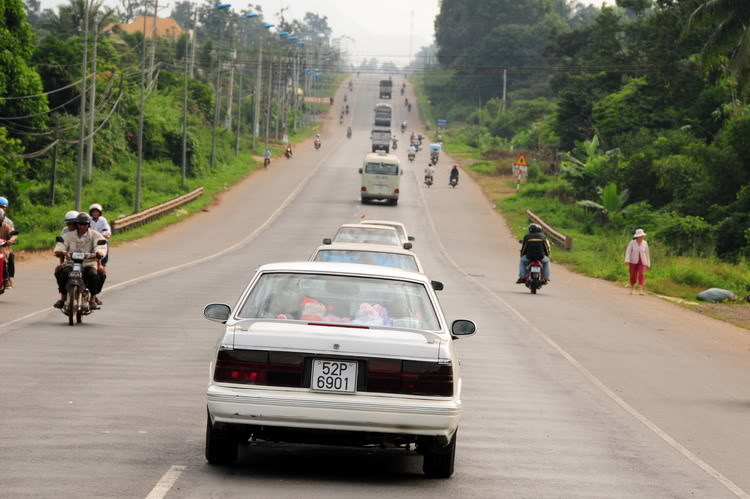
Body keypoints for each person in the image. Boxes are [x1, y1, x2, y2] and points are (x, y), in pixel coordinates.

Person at [53, 213, 107, 310]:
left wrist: (99, 252)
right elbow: (61, 244)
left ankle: (92, 299)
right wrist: (59, 250)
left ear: (88, 225)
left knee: (94, 275)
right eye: (80, 224)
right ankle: (63, 297)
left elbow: (100, 246)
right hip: (71, 262)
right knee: (63, 273)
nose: (82, 226)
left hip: (89, 263)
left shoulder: (95, 235)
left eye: (84, 224)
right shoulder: (68, 235)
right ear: (76, 224)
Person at [624, 228, 651, 295]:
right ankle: (632, 289)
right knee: (633, 275)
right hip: (633, 261)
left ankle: (641, 290)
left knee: (641, 274)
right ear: (637, 236)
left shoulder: (645, 243)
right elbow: (628, 251)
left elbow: (647, 253)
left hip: (642, 262)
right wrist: (627, 260)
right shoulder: (632, 242)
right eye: (640, 236)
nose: (642, 237)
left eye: (642, 236)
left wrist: (648, 263)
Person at [89, 204, 111, 271]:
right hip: (90, 239)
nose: (95, 213)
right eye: (93, 212)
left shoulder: (103, 220)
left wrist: (105, 234)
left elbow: (106, 229)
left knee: (106, 243)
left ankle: (103, 264)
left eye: (97, 212)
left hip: (100, 239)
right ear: (91, 213)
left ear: (99, 213)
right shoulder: (88, 220)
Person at [0, 208, 17, 290]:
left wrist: (11, 240)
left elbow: (13, 234)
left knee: (4, 259)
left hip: (3, 249)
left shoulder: (5, 226)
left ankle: (6, 278)